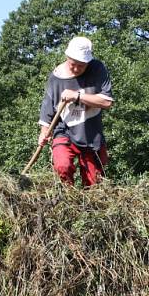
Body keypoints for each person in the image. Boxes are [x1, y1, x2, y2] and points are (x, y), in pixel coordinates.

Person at [37, 36, 114, 186]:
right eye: (74, 64)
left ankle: (91, 208)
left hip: (91, 134)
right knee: (62, 167)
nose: (77, 68)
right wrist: (44, 132)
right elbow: (47, 110)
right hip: (64, 130)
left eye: (82, 65)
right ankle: (66, 201)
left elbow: (107, 102)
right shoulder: (56, 77)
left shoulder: (97, 69)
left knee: (94, 182)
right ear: (67, 57)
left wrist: (76, 96)